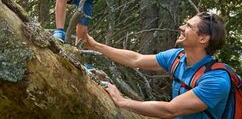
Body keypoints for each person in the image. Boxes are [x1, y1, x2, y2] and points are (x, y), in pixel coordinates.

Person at [83, 12, 232, 119]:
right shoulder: (177, 57)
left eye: (188, 26)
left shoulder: (216, 80)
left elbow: (170, 110)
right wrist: (95, 45)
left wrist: (122, 101)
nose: (181, 27)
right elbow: (136, 59)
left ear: (203, 38)